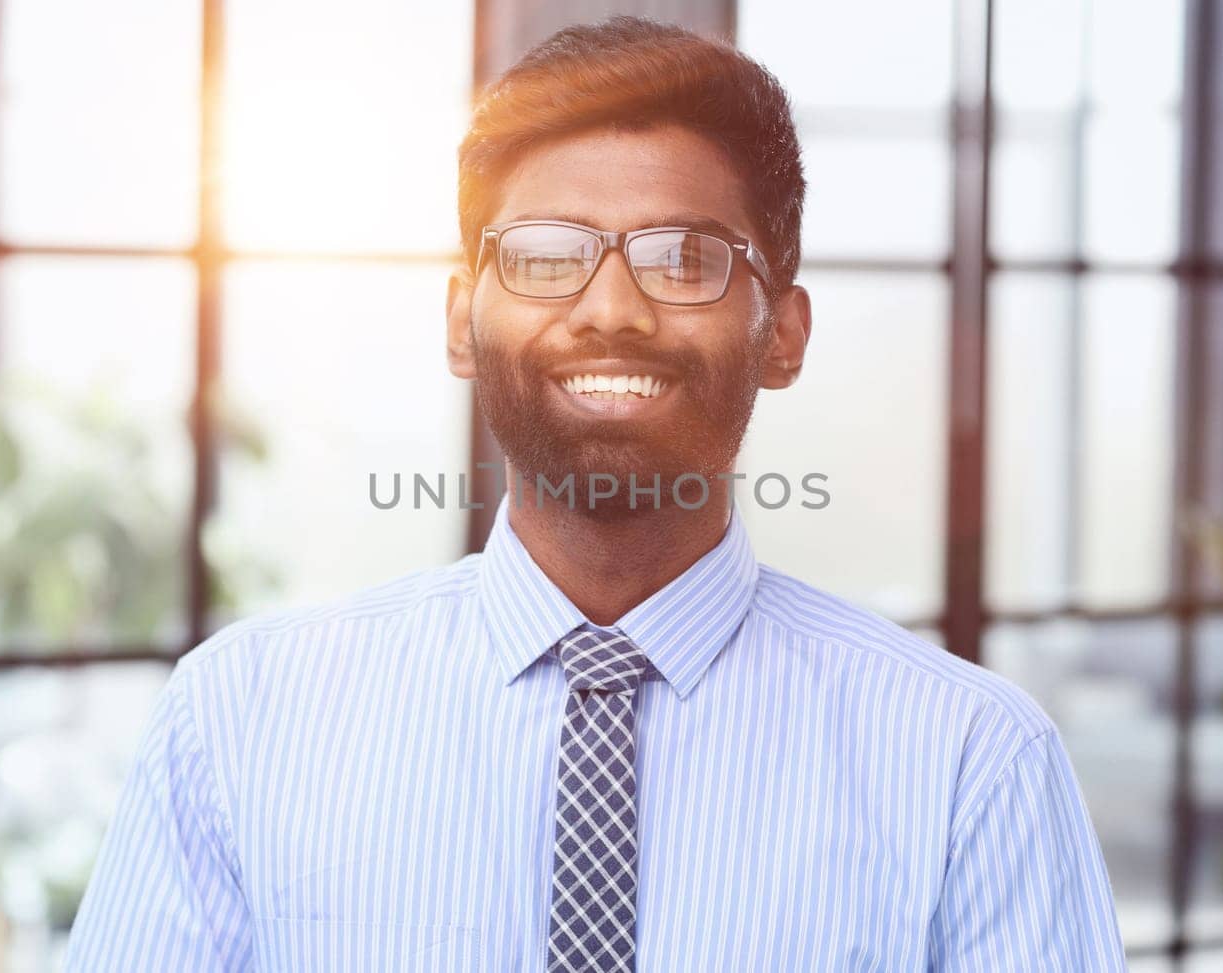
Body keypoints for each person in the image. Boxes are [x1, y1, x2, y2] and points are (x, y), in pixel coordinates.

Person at [65, 16, 1127, 972]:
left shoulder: (973, 764)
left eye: (682, 257)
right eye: (542, 255)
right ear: (458, 324)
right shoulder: (241, 721)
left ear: (784, 336)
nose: (610, 309)